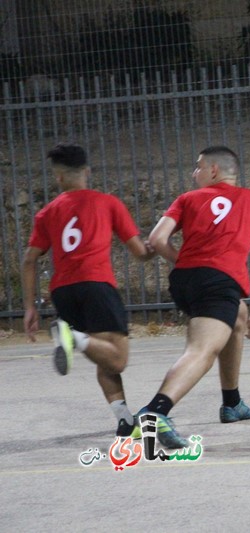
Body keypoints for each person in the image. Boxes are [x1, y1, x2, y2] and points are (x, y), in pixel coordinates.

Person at [141, 145, 250, 448]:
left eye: (197, 167)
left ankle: (232, 402)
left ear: (213, 170)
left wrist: (184, 261)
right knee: (202, 350)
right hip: (220, 281)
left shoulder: (187, 200)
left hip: (185, 280)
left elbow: (156, 240)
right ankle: (156, 411)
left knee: (237, 316)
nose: (194, 174)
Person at [21, 142, 155, 438]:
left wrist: (30, 307)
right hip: (96, 285)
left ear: (58, 177)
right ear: (87, 171)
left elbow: (30, 259)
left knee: (104, 356)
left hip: (64, 292)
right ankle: (74, 338)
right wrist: (153, 249)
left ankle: (124, 421)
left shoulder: (47, 213)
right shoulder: (107, 203)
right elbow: (138, 252)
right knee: (117, 358)